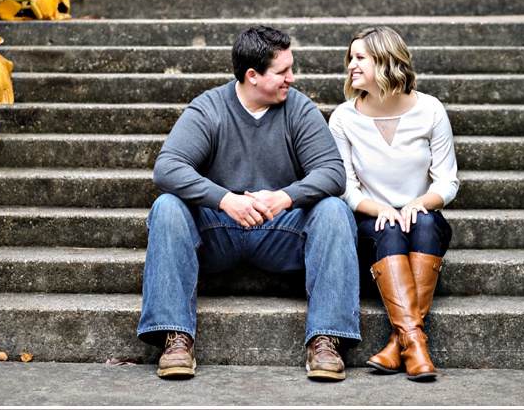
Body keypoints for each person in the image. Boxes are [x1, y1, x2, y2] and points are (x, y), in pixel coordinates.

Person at [137, 25, 361, 381]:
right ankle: (175, 338)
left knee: (334, 210)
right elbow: (167, 168)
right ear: (253, 75)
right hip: (218, 232)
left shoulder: (298, 108)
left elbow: (333, 173)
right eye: (283, 71)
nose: (292, 77)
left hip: (280, 232)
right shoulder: (210, 107)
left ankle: (326, 339)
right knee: (167, 206)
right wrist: (224, 199)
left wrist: (286, 196)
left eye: (291, 68)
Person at [328, 26, 459, 381]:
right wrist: (381, 209)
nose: (350, 66)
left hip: (423, 222)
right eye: (350, 58)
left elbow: (447, 181)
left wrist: (420, 202)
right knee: (388, 229)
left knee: (428, 222)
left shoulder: (430, 110)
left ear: (385, 62)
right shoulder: (343, 118)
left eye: (360, 58)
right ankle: (415, 344)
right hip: (373, 224)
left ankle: (400, 342)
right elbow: (346, 188)